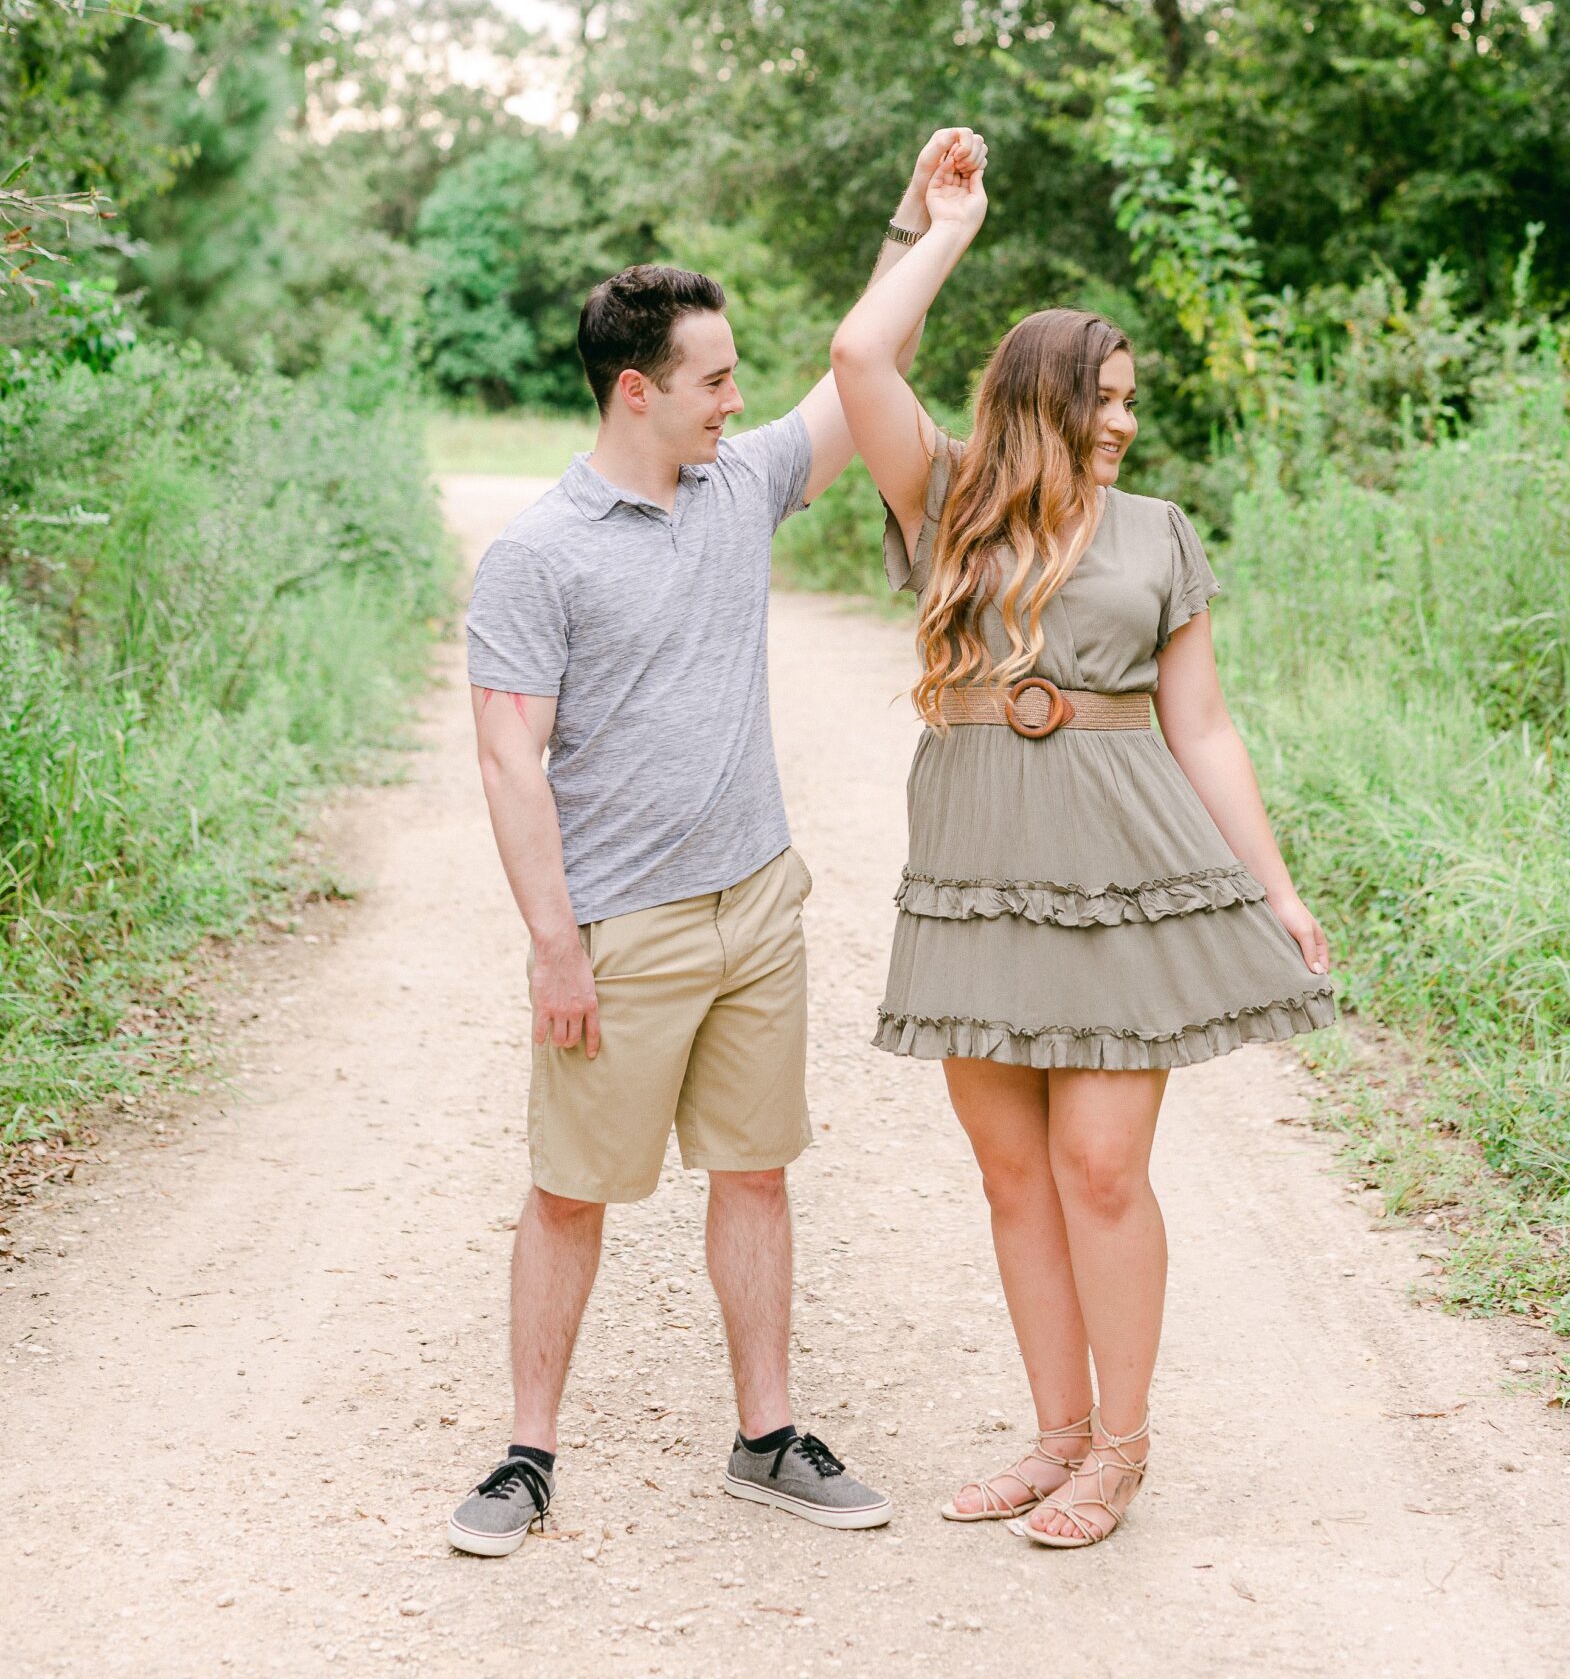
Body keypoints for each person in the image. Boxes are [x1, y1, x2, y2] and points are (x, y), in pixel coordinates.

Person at [447, 128, 986, 1557]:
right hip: (620, 934)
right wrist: (555, 946)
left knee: (757, 1171)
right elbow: (510, 760)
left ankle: (766, 1435)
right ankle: (526, 1454)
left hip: (758, 903)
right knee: (571, 1195)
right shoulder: (537, 553)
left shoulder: (740, 485)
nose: (737, 401)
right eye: (712, 381)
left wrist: (922, 217)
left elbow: (858, 368)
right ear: (638, 391)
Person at [828, 149, 1335, 1551]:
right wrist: (944, 225)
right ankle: (1053, 1435)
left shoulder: (1162, 534)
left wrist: (1277, 889)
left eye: (1129, 403)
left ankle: (1122, 1447)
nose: (1121, 423)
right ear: (1043, 394)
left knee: (1101, 1167)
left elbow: (1210, 730)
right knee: (1009, 1173)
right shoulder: (948, 499)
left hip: (1123, 870)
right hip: (977, 869)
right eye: (1103, 399)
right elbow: (861, 348)